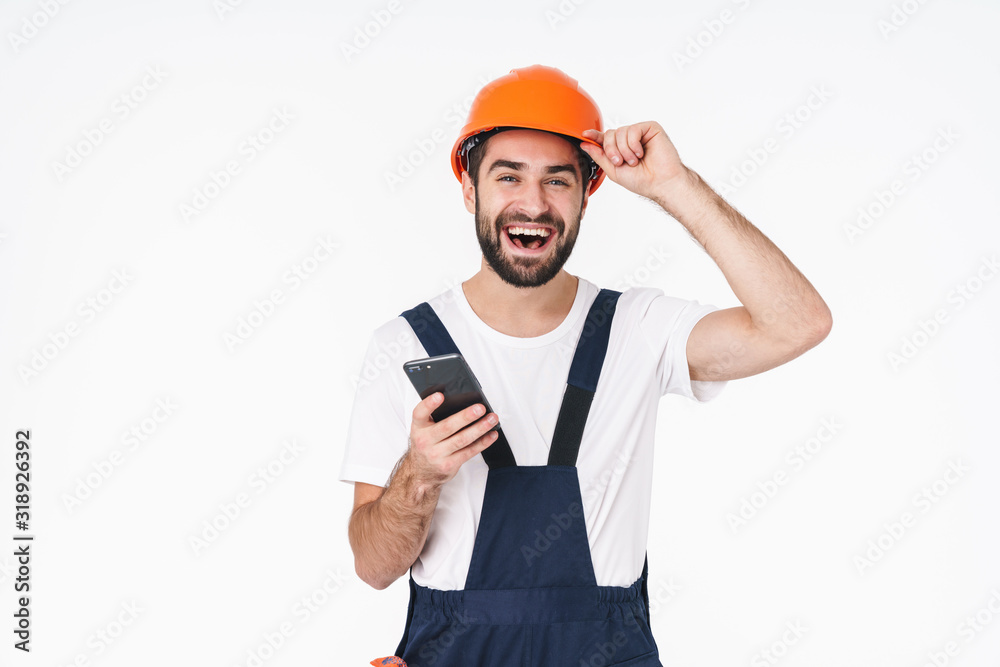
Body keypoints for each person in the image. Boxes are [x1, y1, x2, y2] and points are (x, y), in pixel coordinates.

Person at [340, 64, 832, 666]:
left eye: (558, 181)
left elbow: (798, 323)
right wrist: (418, 474)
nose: (533, 204)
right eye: (508, 176)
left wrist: (676, 187)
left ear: (586, 194)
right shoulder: (405, 346)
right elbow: (372, 567)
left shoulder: (638, 330)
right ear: (469, 189)